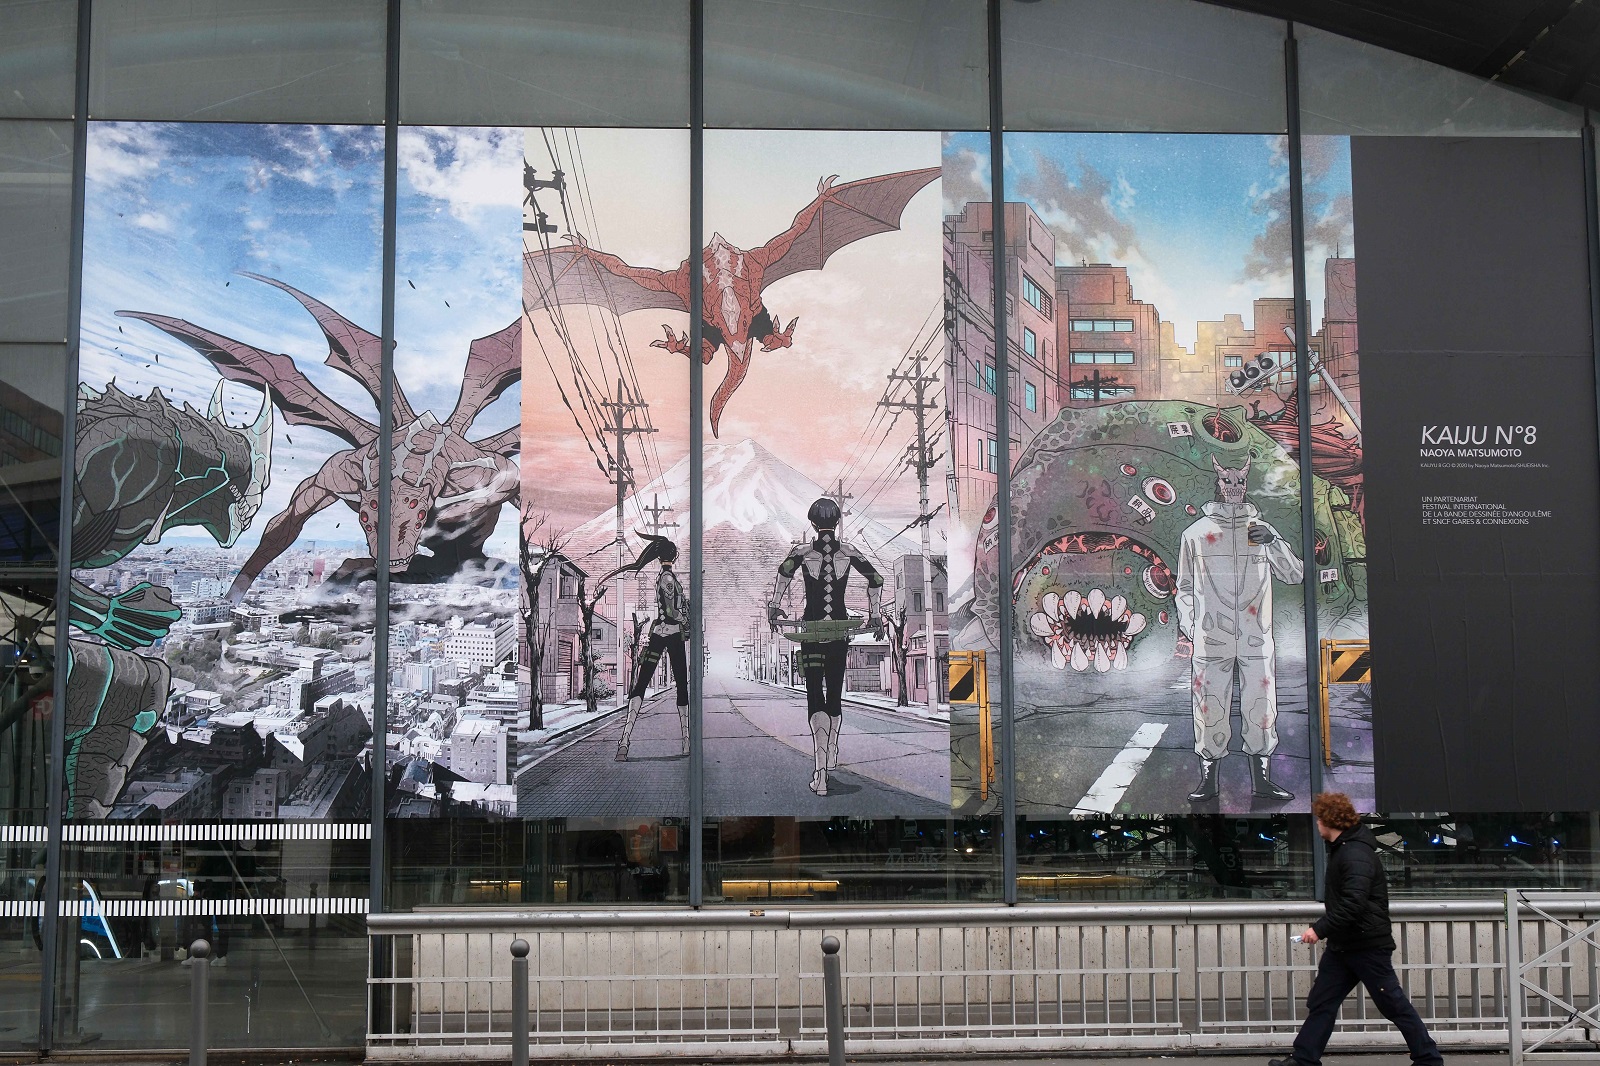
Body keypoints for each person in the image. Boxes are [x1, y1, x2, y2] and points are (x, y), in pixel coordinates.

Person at [1271, 793, 1443, 1066]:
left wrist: (1319, 929)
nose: (1316, 825)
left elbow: (1354, 903)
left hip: (1367, 945)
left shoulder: (1354, 853)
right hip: (1345, 945)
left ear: (1329, 821)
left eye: (1318, 819)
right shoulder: (1345, 849)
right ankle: (1303, 1059)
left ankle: (1428, 1059)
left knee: (1393, 1004)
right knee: (1322, 1001)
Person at [1176, 455, 1303, 802]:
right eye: (1228, 481)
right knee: (1208, 704)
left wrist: (1274, 542)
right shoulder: (1196, 535)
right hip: (1211, 636)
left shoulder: (1262, 530)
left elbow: (1294, 574)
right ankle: (1208, 781)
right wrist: (1192, 625)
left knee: (1261, 705)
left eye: (1240, 482)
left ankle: (1262, 780)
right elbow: (1184, 587)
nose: (1234, 488)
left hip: (1255, 635)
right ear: (1216, 484)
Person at [766, 498, 883, 796]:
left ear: (814, 524)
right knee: (834, 693)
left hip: (812, 632)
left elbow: (783, 572)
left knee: (814, 695)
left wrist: (775, 606)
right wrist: (875, 613)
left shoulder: (803, 552)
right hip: (840, 633)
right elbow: (876, 579)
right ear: (837, 522)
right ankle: (831, 749)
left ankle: (820, 774)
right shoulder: (849, 552)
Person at [608, 532, 689, 761]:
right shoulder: (669, 579)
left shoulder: (662, 577)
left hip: (657, 633)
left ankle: (624, 741)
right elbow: (672, 612)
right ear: (673, 556)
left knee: (641, 684)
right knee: (681, 685)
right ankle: (685, 740)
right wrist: (684, 618)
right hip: (672, 634)